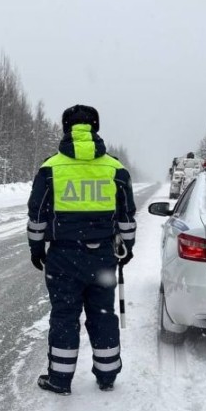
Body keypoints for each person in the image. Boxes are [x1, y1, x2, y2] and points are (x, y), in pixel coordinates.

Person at [26, 104, 137, 395]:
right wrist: (128, 247)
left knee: (64, 316)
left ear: (66, 128)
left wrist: (36, 248)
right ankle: (107, 375)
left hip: (63, 257)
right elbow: (127, 216)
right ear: (95, 128)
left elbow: (37, 215)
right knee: (103, 314)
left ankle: (60, 380)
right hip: (102, 257)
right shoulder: (115, 169)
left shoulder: (51, 168)